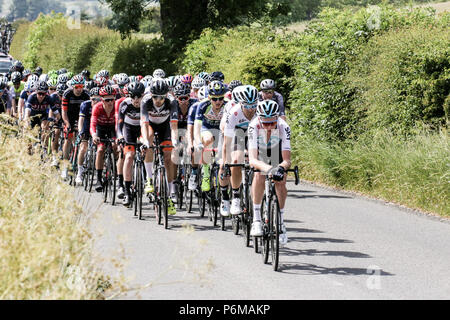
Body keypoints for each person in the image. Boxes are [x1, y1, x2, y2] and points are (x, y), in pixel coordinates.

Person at [248, 100, 292, 245]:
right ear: (259, 119)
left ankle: (280, 222)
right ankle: (256, 219)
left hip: (275, 148)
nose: (268, 127)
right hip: (260, 151)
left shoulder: (283, 126)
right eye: (265, 123)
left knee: (281, 180)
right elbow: (253, 160)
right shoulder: (253, 126)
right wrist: (268, 169)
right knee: (259, 174)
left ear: (277, 119)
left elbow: (287, 160)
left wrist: (279, 168)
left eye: (271, 123)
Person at [140, 78, 178, 215]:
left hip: (165, 127)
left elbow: (174, 126)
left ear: (166, 95)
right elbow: (144, 124)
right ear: (151, 95)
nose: (158, 100)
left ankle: (168, 195)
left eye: (161, 97)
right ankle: (149, 180)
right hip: (150, 125)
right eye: (155, 96)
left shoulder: (172, 101)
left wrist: (175, 141)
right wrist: (145, 142)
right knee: (149, 141)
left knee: (168, 158)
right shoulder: (145, 101)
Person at [221, 85, 258, 216]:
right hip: (239, 135)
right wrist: (226, 163)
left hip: (256, 135)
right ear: (241, 103)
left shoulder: (260, 110)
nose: (251, 109)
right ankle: (236, 196)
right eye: (247, 106)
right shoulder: (234, 113)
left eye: (254, 105)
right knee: (236, 160)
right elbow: (227, 142)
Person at [116, 82, 145, 206]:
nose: (136, 100)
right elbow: (119, 124)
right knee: (129, 156)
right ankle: (127, 192)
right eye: (133, 96)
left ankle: (146, 179)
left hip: (143, 128)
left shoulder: (147, 104)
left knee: (147, 150)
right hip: (128, 129)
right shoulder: (125, 104)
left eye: (139, 96)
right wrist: (120, 136)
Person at [60, 75, 90, 179]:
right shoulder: (67, 93)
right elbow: (63, 111)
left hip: (82, 116)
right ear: (73, 86)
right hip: (70, 116)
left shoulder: (86, 94)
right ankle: (65, 165)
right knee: (67, 139)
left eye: (81, 86)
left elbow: (89, 112)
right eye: (76, 87)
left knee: (83, 140)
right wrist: (67, 123)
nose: (79, 89)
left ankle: (81, 164)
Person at [90, 85, 118, 192]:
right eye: (107, 100)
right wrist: (94, 135)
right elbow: (92, 124)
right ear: (102, 100)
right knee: (100, 150)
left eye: (112, 99)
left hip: (113, 128)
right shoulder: (97, 107)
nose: (110, 102)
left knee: (116, 146)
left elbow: (119, 123)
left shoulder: (116, 107)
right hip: (100, 128)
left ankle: (114, 166)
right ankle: (98, 178)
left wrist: (118, 137)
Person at [75, 87, 101, 185]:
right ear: (90, 99)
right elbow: (81, 120)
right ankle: (79, 172)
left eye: (98, 99)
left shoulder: (102, 106)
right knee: (83, 148)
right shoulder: (85, 105)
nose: (95, 101)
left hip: (97, 126)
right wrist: (81, 131)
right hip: (86, 125)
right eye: (93, 99)